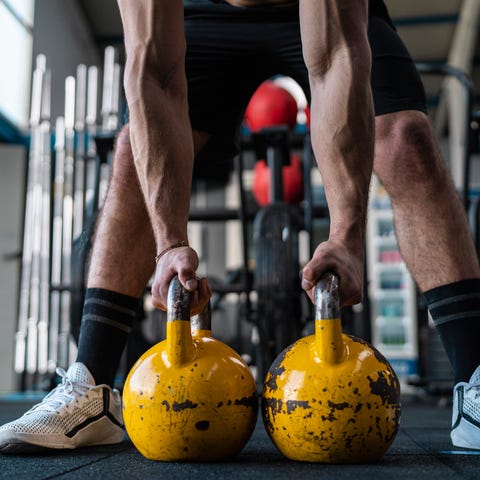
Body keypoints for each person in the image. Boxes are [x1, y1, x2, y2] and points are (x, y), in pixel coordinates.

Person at [1, 0, 480, 453]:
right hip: (202, 16)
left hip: (321, 17)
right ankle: (92, 390)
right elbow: (155, 74)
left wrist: (346, 237)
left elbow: (335, 60)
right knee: (131, 154)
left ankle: (474, 382)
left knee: (405, 139)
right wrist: (169, 243)